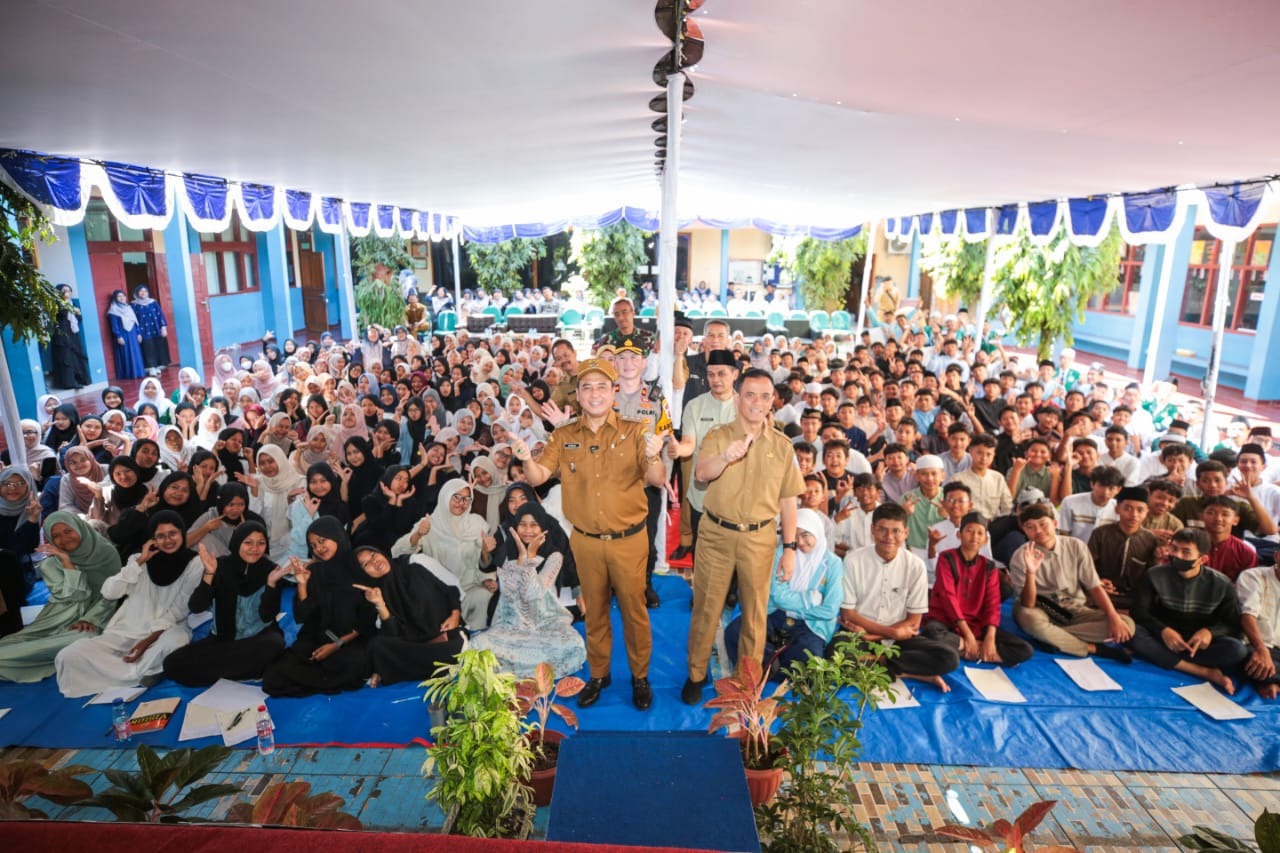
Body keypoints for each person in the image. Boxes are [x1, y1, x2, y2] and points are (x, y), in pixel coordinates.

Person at [516, 357, 667, 711]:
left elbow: (658, 478)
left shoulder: (635, 431)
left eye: (602, 387)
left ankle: (640, 677)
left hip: (629, 540)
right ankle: (599, 674)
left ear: (614, 392)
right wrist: (525, 458)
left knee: (634, 611)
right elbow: (538, 476)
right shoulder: (564, 435)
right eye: (587, 387)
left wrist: (653, 456)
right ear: (579, 395)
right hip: (585, 541)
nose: (594, 394)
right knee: (595, 610)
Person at [684, 368, 804, 706]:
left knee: (755, 613)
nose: (757, 402)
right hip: (717, 535)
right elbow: (701, 474)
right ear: (737, 398)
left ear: (772, 401)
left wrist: (790, 549)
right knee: (706, 608)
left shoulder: (782, 445)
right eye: (750, 394)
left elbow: (788, 500)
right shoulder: (719, 436)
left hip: (759, 539)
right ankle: (696, 674)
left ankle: (746, 680)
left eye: (765, 396)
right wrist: (726, 457)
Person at [54, 511, 203, 697]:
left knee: (176, 641)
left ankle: (141, 670)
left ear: (182, 533)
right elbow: (109, 592)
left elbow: (179, 610)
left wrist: (147, 641)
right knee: (68, 656)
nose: (168, 540)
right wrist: (140, 562)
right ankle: (144, 671)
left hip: (166, 629)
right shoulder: (139, 560)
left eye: (173, 533)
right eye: (160, 536)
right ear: (153, 539)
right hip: (127, 629)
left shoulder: (195, 563)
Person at [829, 503, 960, 690]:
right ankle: (910, 672)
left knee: (949, 657)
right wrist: (887, 633)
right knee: (835, 657)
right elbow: (848, 613)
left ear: (906, 532)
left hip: (897, 638)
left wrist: (876, 636)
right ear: (872, 530)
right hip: (860, 634)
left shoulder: (915, 565)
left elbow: (914, 621)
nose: (889, 537)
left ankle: (876, 663)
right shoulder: (853, 560)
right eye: (882, 529)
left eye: (896, 531)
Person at [0, 512, 121, 682]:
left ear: (80, 528)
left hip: (96, 617)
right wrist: (66, 562)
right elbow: (74, 596)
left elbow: (112, 594)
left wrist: (91, 619)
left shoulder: (105, 553)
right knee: (10, 643)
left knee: (86, 638)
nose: (64, 539)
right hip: (55, 620)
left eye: (68, 531)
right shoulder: (49, 564)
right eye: (56, 536)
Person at [469, 503, 587, 678]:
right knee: (478, 644)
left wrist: (529, 559)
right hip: (512, 624)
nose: (528, 530)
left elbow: (532, 594)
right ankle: (533, 666)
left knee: (573, 645)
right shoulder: (506, 554)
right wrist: (521, 559)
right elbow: (512, 595)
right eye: (523, 525)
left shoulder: (554, 556)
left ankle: (519, 665)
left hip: (547, 622)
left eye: (534, 525)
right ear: (515, 526)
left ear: (543, 527)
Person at [162, 521, 287, 686]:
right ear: (237, 542)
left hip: (257, 639)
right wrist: (209, 574)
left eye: (261, 543)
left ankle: (228, 670)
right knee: (172, 664)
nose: (255, 548)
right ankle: (248, 670)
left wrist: (271, 585)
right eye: (248, 542)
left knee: (274, 645)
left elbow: (267, 616)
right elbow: (196, 607)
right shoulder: (219, 566)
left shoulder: (271, 570)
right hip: (222, 641)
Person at [262, 517, 377, 697]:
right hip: (318, 636)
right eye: (313, 545)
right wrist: (302, 584)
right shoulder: (315, 571)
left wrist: (336, 645)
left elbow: (367, 621)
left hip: (350, 640)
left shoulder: (359, 568)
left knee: (354, 663)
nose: (318, 548)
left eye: (322, 541)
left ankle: (317, 678)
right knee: (274, 677)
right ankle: (324, 680)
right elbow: (303, 616)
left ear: (337, 536)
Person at [722, 508, 844, 676]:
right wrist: (810, 599)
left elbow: (830, 609)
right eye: (795, 536)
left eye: (805, 535)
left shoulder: (833, 563)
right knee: (735, 633)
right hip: (776, 614)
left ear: (817, 531)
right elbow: (778, 596)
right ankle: (771, 666)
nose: (800, 542)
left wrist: (795, 610)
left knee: (808, 660)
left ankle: (771, 666)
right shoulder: (783, 554)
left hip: (811, 622)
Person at [1008, 503, 1135, 661]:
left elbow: (1094, 586)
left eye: (1043, 524)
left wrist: (1113, 616)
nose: (1038, 531)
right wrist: (1031, 573)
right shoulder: (1020, 556)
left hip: (1073, 609)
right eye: (1030, 527)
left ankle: (1051, 637)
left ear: (1055, 524)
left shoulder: (1076, 546)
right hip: (1039, 609)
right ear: (1024, 531)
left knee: (1127, 623)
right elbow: (1028, 603)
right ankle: (1093, 648)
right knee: (1030, 620)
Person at [1128, 527, 1247, 695]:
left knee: (1236, 650)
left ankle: (1160, 656)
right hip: (1163, 636)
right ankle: (1202, 671)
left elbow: (1233, 624)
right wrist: (1163, 630)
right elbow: (1139, 613)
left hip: (1197, 644)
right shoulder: (1154, 575)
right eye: (1174, 548)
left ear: (1202, 559)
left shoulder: (1221, 584)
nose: (1177, 555)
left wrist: (1210, 632)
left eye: (1185, 552)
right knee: (1133, 632)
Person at [923, 512, 1033, 666]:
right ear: (959, 535)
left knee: (1025, 650)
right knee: (932, 633)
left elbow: (993, 603)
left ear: (985, 539)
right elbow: (948, 597)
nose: (974, 536)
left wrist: (990, 637)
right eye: (969, 531)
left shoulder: (989, 566)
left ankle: (965, 650)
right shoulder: (946, 558)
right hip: (947, 621)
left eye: (980, 533)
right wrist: (968, 636)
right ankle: (981, 651)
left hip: (976, 624)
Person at [355, 546, 464, 687]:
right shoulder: (375, 593)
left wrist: (455, 615)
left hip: (446, 637)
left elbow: (452, 587)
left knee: (454, 649)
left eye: (373, 554)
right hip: (417, 647)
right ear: (363, 573)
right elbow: (393, 634)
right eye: (366, 564)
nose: (374, 561)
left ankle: (390, 669)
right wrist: (379, 603)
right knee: (376, 646)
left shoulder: (414, 562)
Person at [392, 478, 494, 629]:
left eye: (467, 499)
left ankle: (475, 635)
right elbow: (396, 552)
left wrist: (487, 577)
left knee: (484, 596)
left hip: (469, 586)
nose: (462, 503)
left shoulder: (476, 523)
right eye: (456, 497)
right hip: (441, 591)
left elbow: (481, 560)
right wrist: (418, 534)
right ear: (445, 496)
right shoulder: (429, 524)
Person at [1087, 486, 1159, 611]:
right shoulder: (1100, 534)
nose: (1134, 515)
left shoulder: (1150, 540)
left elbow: (1151, 574)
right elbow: (1087, 566)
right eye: (1128, 508)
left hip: (1134, 600)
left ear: (1147, 512)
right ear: (1117, 509)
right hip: (1101, 594)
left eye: (1140, 510)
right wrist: (1098, 581)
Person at [1238, 556, 1280, 698]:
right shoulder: (1253, 576)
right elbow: (1247, 615)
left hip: (1277, 654)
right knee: (1236, 653)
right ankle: (1268, 678)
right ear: (1276, 556)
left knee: (1264, 667)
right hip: (1254, 646)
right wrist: (1261, 649)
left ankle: (1270, 680)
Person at [50, 284, 91, 390]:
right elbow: (60, 315)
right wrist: (66, 304)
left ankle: (80, 379)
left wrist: (77, 312)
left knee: (76, 356)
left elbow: (79, 319)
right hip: (62, 334)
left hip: (73, 333)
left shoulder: (72, 303)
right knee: (66, 357)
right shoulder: (55, 303)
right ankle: (69, 382)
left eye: (69, 290)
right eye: (64, 291)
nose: (67, 293)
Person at [130, 285, 170, 377]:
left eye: (145, 291)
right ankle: (151, 367)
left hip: (155, 328)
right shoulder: (134, 305)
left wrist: (163, 327)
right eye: (141, 291)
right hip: (143, 330)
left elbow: (160, 315)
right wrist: (137, 333)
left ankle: (158, 367)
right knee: (148, 347)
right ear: (137, 293)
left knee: (158, 346)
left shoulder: (153, 302)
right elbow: (133, 319)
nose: (143, 293)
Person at [106, 289, 146, 380]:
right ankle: (129, 374)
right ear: (115, 298)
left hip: (133, 334)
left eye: (123, 296)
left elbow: (135, 321)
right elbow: (114, 325)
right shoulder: (113, 310)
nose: (122, 298)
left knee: (135, 353)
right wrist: (118, 336)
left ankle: (138, 373)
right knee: (127, 353)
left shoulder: (128, 308)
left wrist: (138, 333)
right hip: (123, 334)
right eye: (119, 296)